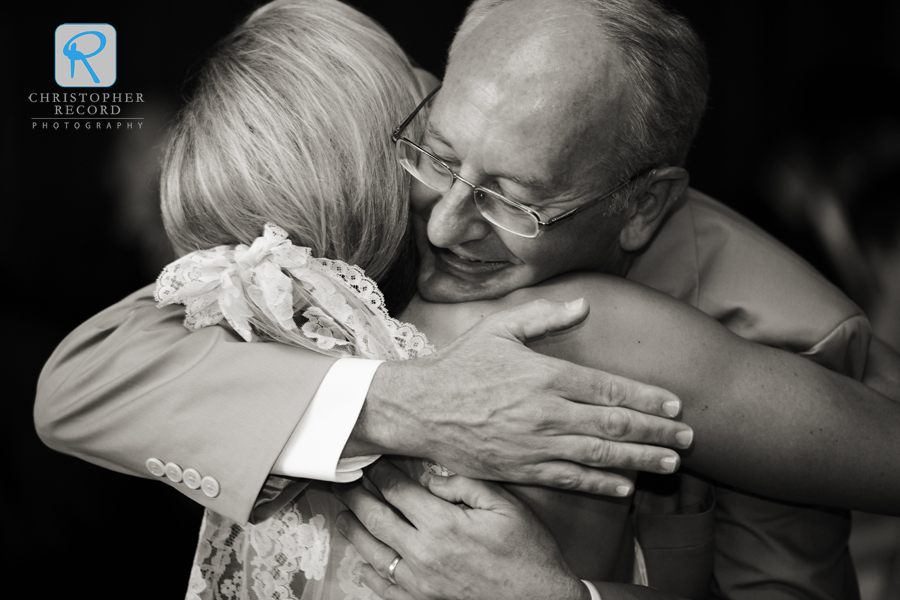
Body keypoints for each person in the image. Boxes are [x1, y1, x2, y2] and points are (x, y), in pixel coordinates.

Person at [33, 0, 900, 597]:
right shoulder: (268, 317)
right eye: (436, 159)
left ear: (640, 207)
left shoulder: (659, 319)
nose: (447, 227)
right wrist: (408, 404)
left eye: (513, 199)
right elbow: (77, 383)